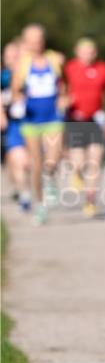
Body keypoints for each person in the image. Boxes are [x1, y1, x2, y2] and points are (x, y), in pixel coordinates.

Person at [63, 37, 105, 218]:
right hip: (75, 120)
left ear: (96, 52)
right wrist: (63, 100)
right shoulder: (69, 68)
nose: (88, 54)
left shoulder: (104, 69)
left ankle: (90, 201)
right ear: (77, 51)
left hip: (96, 119)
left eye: (91, 50)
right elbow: (61, 88)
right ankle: (76, 173)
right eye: (84, 50)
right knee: (78, 162)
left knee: (95, 161)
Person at [10, 24, 66, 225]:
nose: (36, 43)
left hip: (52, 117)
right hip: (31, 120)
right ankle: (40, 205)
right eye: (32, 40)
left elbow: (63, 85)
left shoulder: (55, 59)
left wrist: (63, 99)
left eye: (39, 39)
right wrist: (18, 102)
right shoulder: (22, 64)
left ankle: (50, 178)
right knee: (36, 164)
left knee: (54, 155)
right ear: (26, 42)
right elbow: (16, 89)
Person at [1, 41, 30, 211]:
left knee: (29, 162)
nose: (13, 59)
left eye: (16, 55)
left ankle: (25, 188)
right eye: (9, 56)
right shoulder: (3, 77)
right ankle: (23, 193)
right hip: (13, 125)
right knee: (18, 161)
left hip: (33, 122)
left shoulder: (28, 74)